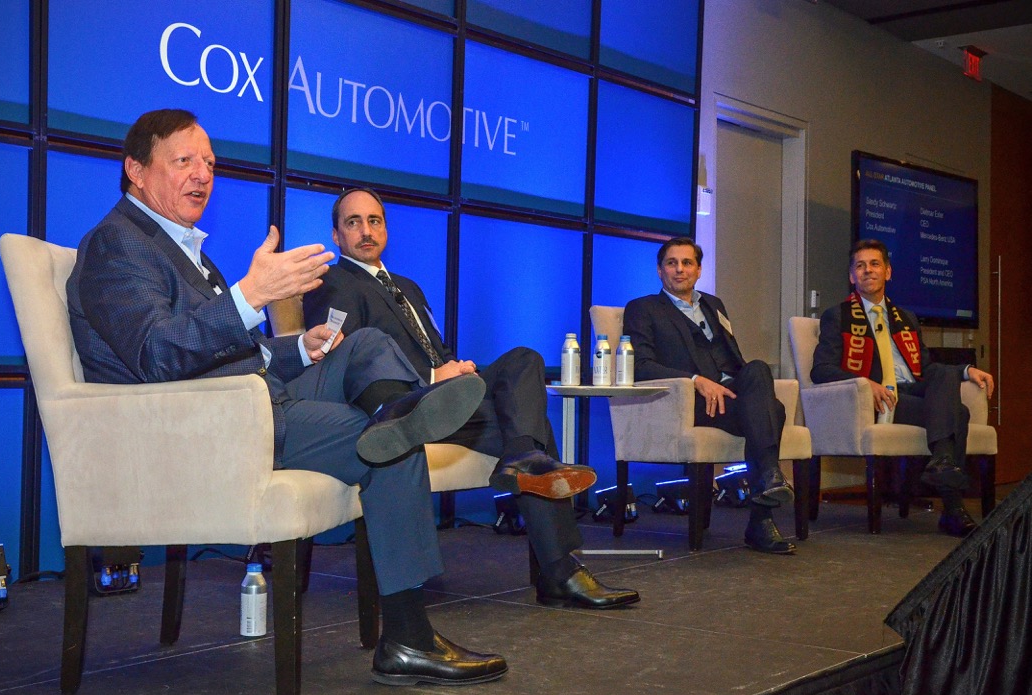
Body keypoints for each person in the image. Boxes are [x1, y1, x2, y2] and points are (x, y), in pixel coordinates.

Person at [66, 109, 508, 686]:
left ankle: (396, 407)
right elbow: (155, 355)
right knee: (390, 449)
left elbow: (230, 352)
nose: (203, 174)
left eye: (210, 164)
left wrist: (300, 348)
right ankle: (407, 638)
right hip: (211, 427)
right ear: (136, 170)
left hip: (254, 398)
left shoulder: (184, 250)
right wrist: (251, 295)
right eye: (184, 161)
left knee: (365, 343)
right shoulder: (114, 245)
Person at [301, 188, 640, 609]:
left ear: (386, 228)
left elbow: (434, 349)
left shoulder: (407, 287)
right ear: (336, 235)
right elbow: (343, 364)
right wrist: (431, 377)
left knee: (524, 362)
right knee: (536, 433)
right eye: (353, 222)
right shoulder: (333, 284)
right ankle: (560, 570)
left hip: (452, 397)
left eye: (374, 221)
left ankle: (522, 461)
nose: (366, 231)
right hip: (409, 408)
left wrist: (454, 368)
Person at [623, 237, 797, 554]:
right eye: (671, 263)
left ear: (699, 269)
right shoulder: (643, 308)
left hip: (731, 394)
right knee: (774, 411)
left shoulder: (714, 305)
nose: (679, 269)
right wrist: (694, 380)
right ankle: (762, 516)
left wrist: (741, 385)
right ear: (660, 271)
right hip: (689, 402)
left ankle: (768, 482)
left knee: (758, 370)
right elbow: (640, 365)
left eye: (687, 263)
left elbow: (734, 359)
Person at [811, 239, 995, 537]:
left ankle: (942, 464)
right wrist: (864, 383)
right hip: (878, 398)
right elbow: (820, 371)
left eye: (874, 264)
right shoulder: (838, 316)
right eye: (860, 266)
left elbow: (927, 368)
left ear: (888, 272)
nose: (867, 271)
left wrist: (966, 371)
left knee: (945, 374)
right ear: (851, 276)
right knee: (958, 413)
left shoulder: (905, 318)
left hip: (912, 390)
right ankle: (951, 505)